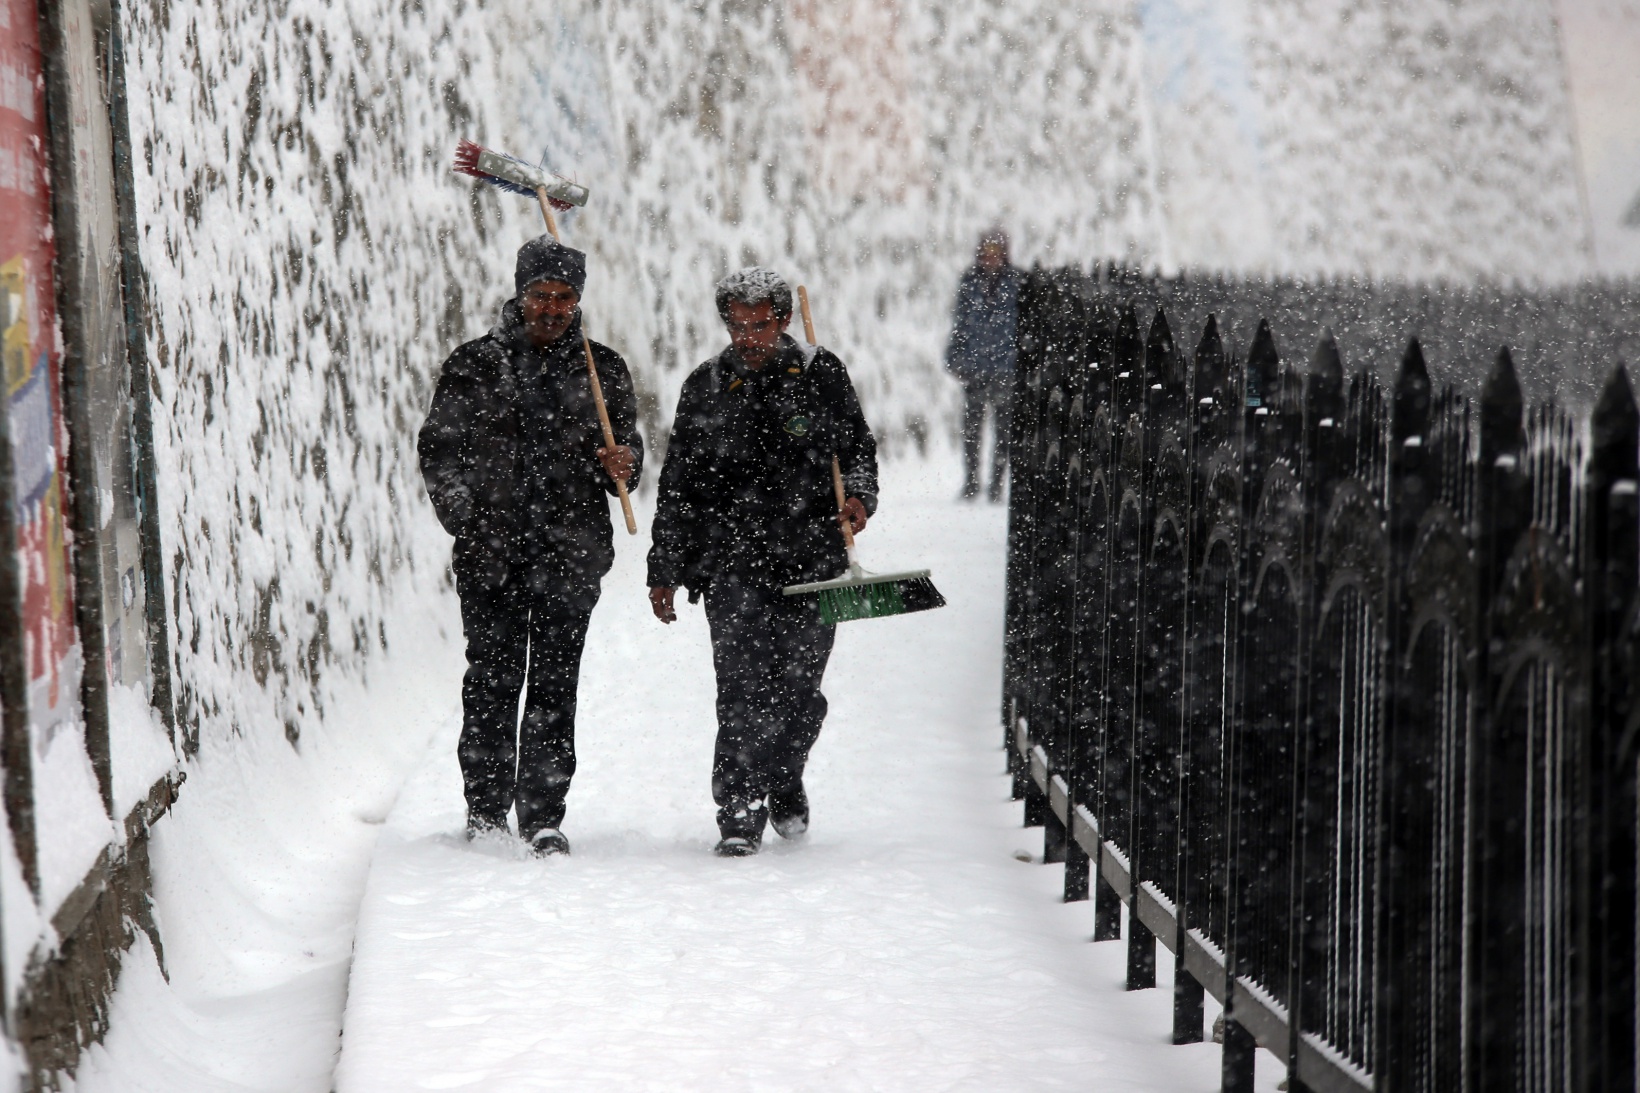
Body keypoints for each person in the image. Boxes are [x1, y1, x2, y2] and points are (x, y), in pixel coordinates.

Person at [418, 235, 643, 856]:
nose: (552, 308)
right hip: (490, 556)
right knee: (491, 680)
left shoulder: (602, 370)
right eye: (541, 296)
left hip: (571, 555)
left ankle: (543, 813)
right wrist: (467, 517)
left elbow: (625, 452)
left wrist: (623, 463)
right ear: (519, 296)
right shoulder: (473, 366)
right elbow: (439, 450)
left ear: (578, 301)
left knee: (553, 684)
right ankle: (486, 810)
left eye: (564, 298)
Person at [647, 267, 878, 858]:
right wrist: (665, 565)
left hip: (814, 560)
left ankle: (785, 776)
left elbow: (857, 448)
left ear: (784, 321)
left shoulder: (821, 375)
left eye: (761, 325)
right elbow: (678, 483)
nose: (748, 336)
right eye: (738, 325)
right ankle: (739, 811)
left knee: (802, 693)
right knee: (743, 690)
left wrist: (857, 498)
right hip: (732, 564)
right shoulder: (705, 386)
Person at [945, 228, 1023, 502]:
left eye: (995, 254)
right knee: (972, 429)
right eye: (986, 254)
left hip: (1006, 368)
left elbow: (1022, 328)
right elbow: (960, 324)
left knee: (1003, 431)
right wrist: (954, 357)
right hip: (974, 367)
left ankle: (996, 485)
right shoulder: (970, 282)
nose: (990, 259)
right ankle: (971, 481)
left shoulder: (1016, 283)